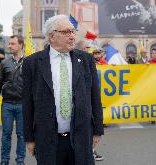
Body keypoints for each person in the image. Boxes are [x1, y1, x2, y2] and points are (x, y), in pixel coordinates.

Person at [22, 14, 104, 165]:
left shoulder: (86, 60)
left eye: (73, 31)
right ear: (52, 36)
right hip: (47, 138)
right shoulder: (32, 63)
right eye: (66, 32)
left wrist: (98, 130)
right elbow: (27, 104)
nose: (72, 36)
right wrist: (29, 138)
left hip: (81, 136)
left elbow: (95, 97)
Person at [0, 35, 26, 165]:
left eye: (12, 43)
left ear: (21, 45)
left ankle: (20, 160)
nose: (9, 46)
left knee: (22, 134)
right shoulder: (5, 63)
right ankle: (4, 160)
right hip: (7, 104)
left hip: (23, 104)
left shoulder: (28, 62)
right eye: (9, 43)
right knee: (6, 134)